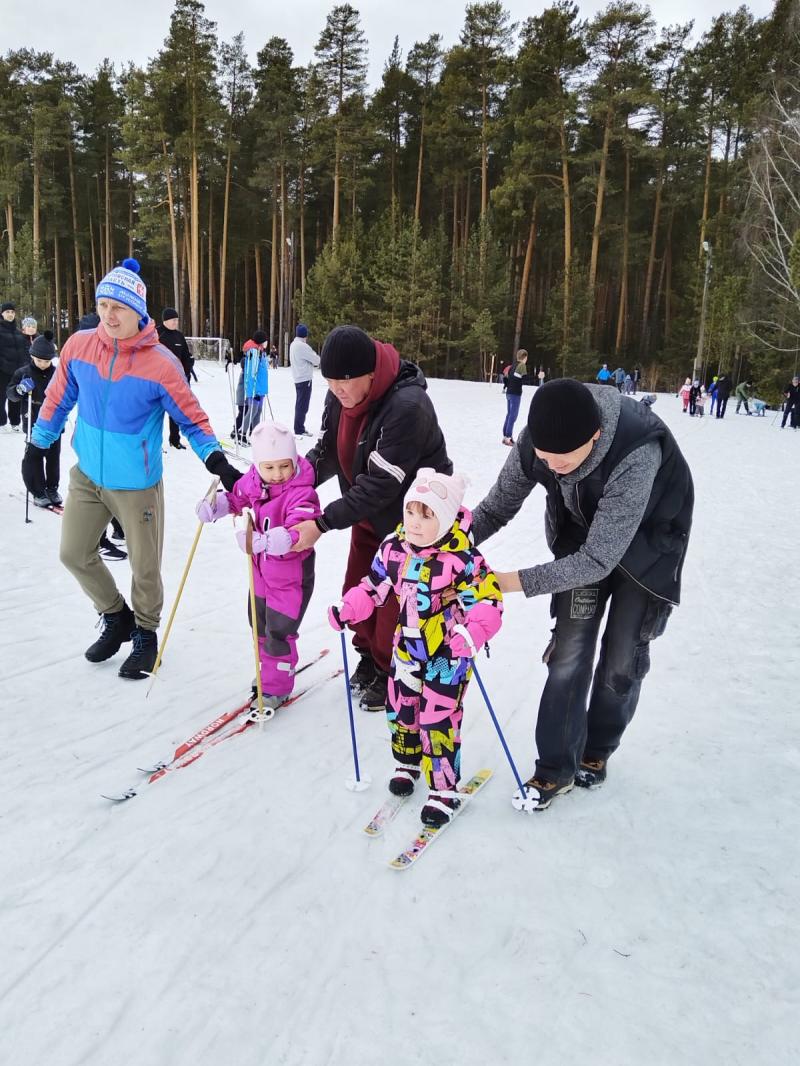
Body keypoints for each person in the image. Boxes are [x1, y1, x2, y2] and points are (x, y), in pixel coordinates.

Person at [471, 378, 693, 811]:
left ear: (594, 437)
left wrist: (506, 581)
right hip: (582, 538)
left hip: (650, 551)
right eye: (543, 458)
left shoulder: (636, 450)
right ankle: (555, 767)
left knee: (620, 662)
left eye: (563, 460)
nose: (552, 467)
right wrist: (447, 544)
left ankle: (599, 745)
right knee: (570, 651)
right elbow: (498, 506)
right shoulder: (538, 439)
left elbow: (599, 561)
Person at [24, 258, 240, 681]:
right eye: (103, 304)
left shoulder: (160, 363)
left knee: (144, 566)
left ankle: (145, 633)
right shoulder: (78, 346)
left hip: (136, 482)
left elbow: (191, 420)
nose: (109, 315)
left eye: (118, 307)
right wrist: (37, 445)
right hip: (88, 474)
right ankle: (116, 616)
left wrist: (216, 459)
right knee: (74, 553)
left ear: (138, 312)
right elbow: (57, 398)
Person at [328, 469, 503, 826]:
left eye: (428, 515)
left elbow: (488, 598)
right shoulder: (393, 549)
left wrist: (473, 632)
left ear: (448, 516)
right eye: (412, 511)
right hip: (406, 648)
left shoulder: (462, 558)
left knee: (437, 718)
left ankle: (443, 788)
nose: (416, 523)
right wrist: (350, 607)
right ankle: (407, 763)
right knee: (402, 710)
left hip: (448, 653)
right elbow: (373, 587)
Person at [293, 324, 452, 713]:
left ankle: (390, 668)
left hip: (411, 526)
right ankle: (368, 655)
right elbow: (328, 450)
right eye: (330, 382)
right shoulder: (340, 396)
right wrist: (292, 483)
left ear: (370, 373)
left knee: (391, 607)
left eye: (345, 381)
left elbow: (381, 484)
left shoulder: (408, 407)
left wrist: (321, 522)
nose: (337, 390)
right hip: (367, 515)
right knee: (356, 588)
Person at [197, 421, 321, 711]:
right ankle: (268, 672)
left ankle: (276, 687)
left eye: (284, 466)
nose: (277, 474)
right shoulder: (253, 482)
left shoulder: (301, 491)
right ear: (258, 465)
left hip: (291, 577)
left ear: (294, 462)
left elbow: (300, 525)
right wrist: (216, 506)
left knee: (279, 630)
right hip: (262, 574)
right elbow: (237, 498)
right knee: (259, 624)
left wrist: (269, 541)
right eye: (269, 467)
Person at [6, 331, 61, 507]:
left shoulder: (58, 373)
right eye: (39, 361)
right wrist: (20, 390)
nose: (43, 364)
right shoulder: (23, 373)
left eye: (47, 361)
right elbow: (11, 394)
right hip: (33, 419)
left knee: (53, 457)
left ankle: (51, 487)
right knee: (35, 456)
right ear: (32, 356)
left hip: (54, 421)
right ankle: (38, 490)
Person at [158, 308, 194, 450]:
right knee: (156, 414)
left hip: (176, 381)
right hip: (159, 380)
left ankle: (174, 440)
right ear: (165, 320)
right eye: (173, 320)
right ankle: (155, 443)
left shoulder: (179, 336)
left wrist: (187, 372)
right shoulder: (156, 334)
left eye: (177, 320)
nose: (175, 322)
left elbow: (185, 356)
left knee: (175, 412)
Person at [233, 330, 269, 442]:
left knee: (258, 412)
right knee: (252, 412)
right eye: (265, 341)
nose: (266, 343)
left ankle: (256, 434)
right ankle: (242, 433)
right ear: (260, 342)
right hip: (255, 390)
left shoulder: (260, 352)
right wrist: (254, 391)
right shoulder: (254, 353)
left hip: (260, 389)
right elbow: (251, 373)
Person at [0, 301, 29, 432]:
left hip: (17, 371)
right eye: (7, 312)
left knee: (16, 396)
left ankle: (15, 422)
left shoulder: (19, 332)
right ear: (2, 314)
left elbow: (25, 349)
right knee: (1, 396)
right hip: (2, 370)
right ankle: (1, 422)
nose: (10, 314)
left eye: (12, 312)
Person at [289, 323, 320, 439]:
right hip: (305, 378)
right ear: (305, 335)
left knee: (300, 403)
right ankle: (299, 428)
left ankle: (298, 426)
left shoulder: (293, 344)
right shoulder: (302, 346)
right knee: (303, 404)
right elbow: (316, 359)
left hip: (297, 377)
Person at [501, 348, 527, 445]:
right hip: (515, 393)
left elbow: (508, 378)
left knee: (509, 414)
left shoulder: (512, 366)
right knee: (513, 415)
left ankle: (505, 436)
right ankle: (508, 437)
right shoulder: (522, 366)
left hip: (509, 393)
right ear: (524, 357)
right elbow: (524, 379)